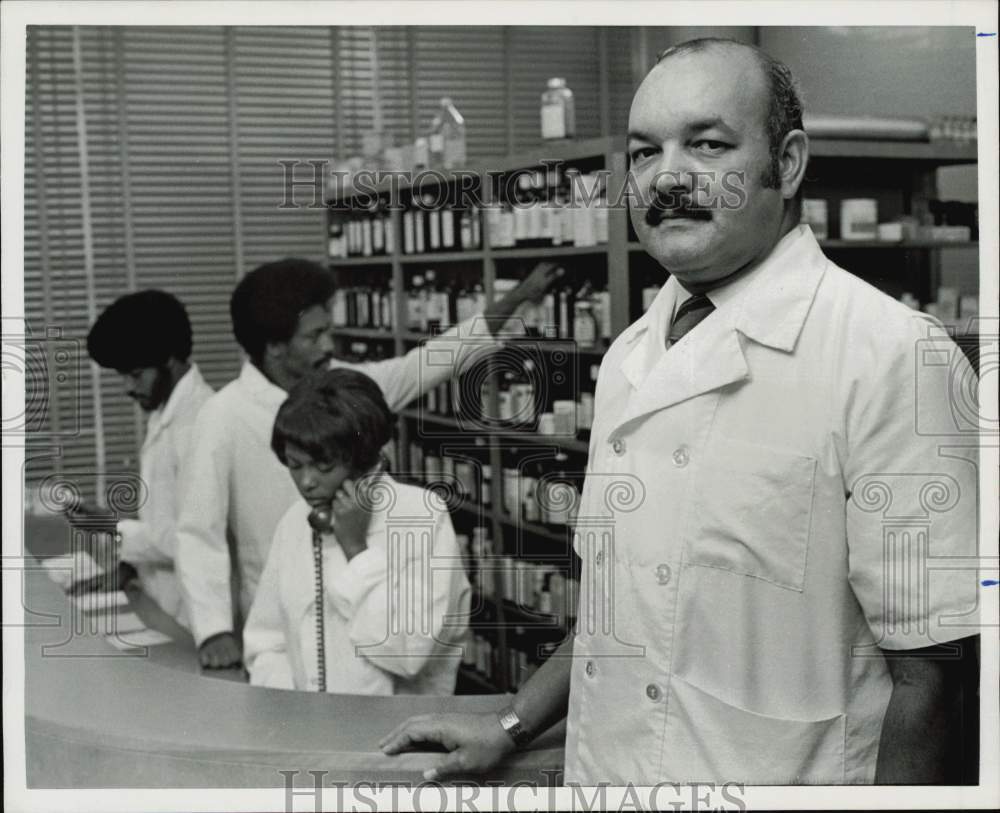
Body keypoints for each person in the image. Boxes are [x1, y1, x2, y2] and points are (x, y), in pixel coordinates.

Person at [380, 38, 981, 784]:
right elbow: (619, 603)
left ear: (786, 163)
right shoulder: (633, 354)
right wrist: (510, 723)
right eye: (642, 153)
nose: (666, 176)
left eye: (707, 143)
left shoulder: (888, 357)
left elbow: (937, 676)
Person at [177, 257, 561, 669]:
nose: (329, 346)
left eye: (329, 331)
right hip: (287, 626)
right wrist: (214, 629)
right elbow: (200, 531)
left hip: (373, 610)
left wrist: (517, 299)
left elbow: (428, 362)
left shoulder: (346, 391)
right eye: (315, 336)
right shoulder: (222, 416)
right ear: (274, 347)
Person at [243, 368, 469, 694]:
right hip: (306, 730)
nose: (306, 482)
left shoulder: (420, 514)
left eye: (324, 467)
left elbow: (408, 653)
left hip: (398, 732)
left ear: (361, 460)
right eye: (295, 465)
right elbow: (266, 641)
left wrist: (355, 550)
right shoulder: (295, 521)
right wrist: (291, 705)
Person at [69, 289, 213, 627]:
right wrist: (127, 568)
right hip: (163, 599)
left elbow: (192, 539)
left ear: (170, 361)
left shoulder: (201, 422)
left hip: (196, 615)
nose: (127, 388)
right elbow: (165, 515)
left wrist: (110, 527)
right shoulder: (166, 411)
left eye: (135, 374)